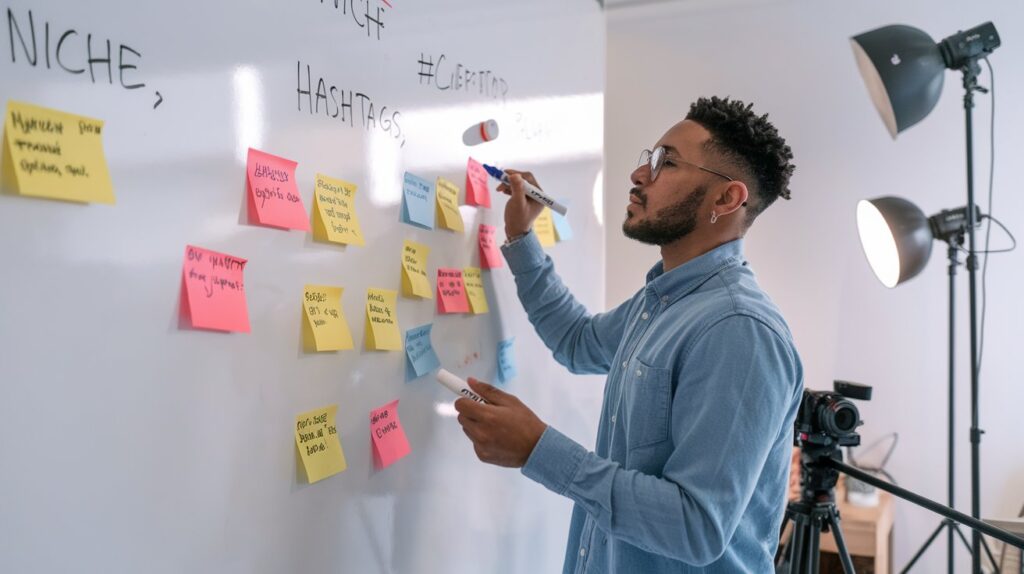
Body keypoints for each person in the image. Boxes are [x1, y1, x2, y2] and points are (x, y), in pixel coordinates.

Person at [454, 96, 803, 573]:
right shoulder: (661, 301)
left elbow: (696, 527)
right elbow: (577, 341)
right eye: (650, 158)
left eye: (668, 163)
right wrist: (521, 238)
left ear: (726, 199)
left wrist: (539, 450)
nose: (640, 176)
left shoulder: (738, 330)